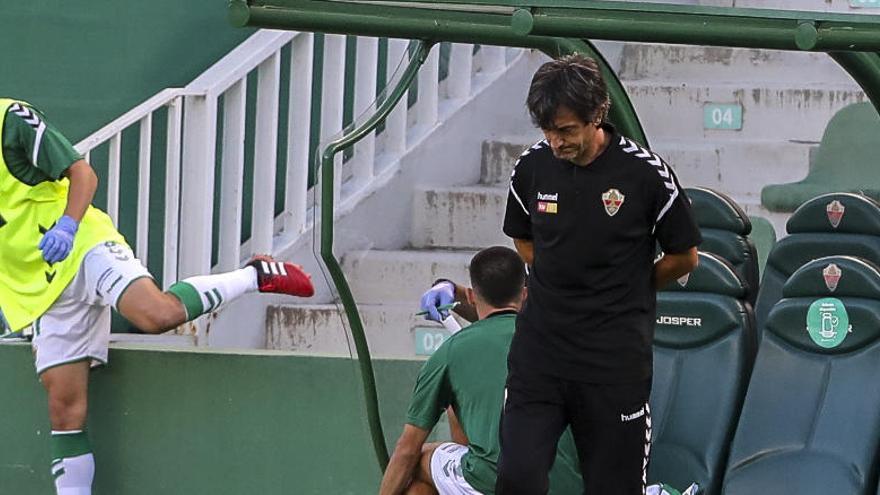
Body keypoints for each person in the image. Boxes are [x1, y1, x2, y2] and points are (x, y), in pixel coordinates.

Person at [0, 97, 315, 495]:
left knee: (155, 314)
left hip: (82, 244)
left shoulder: (10, 119)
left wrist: (67, 224)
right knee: (64, 411)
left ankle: (256, 275)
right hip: (41, 286)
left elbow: (83, 174)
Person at [422, 53, 701, 494]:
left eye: (566, 130)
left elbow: (685, 257)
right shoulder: (531, 168)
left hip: (613, 363)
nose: (555, 141)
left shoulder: (646, 174)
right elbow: (523, 239)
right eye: (548, 130)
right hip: (541, 357)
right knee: (516, 479)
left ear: (597, 116)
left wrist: (627, 288)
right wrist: (564, 278)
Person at [380, 246, 582, 495]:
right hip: (569, 484)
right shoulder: (562, 338)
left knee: (419, 461)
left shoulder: (452, 352)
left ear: (473, 297)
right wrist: (451, 289)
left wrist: (452, 290)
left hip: (498, 480)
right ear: (527, 294)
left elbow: (407, 449)